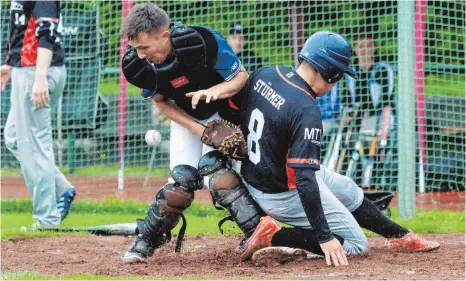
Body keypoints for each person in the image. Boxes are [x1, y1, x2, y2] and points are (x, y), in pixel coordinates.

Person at [220, 31, 439, 266]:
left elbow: (232, 110)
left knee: (348, 189)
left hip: (261, 174)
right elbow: (304, 180)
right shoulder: (306, 109)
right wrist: (324, 236)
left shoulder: (269, 72)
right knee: (356, 246)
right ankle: (274, 235)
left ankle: (399, 236)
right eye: (339, 75)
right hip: (282, 192)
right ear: (330, 72)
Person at [119, 3, 248, 263]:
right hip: (187, 117)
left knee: (220, 177)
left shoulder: (204, 41)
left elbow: (241, 77)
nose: (140, 55)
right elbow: (161, 101)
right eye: (136, 49)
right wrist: (198, 129)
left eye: (144, 47)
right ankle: (147, 241)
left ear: (164, 36)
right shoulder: (141, 64)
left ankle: (260, 234)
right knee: (180, 184)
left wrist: (215, 92)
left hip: (224, 113)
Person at [0, 0, 76, 228]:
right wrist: (10, 66)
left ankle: (46, 219)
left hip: (37, 72)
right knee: (13, 137)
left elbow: (47, 34)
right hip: (25, 70)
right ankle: (61, 188)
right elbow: (22, 32)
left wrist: (40, 77)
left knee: (35, 145)